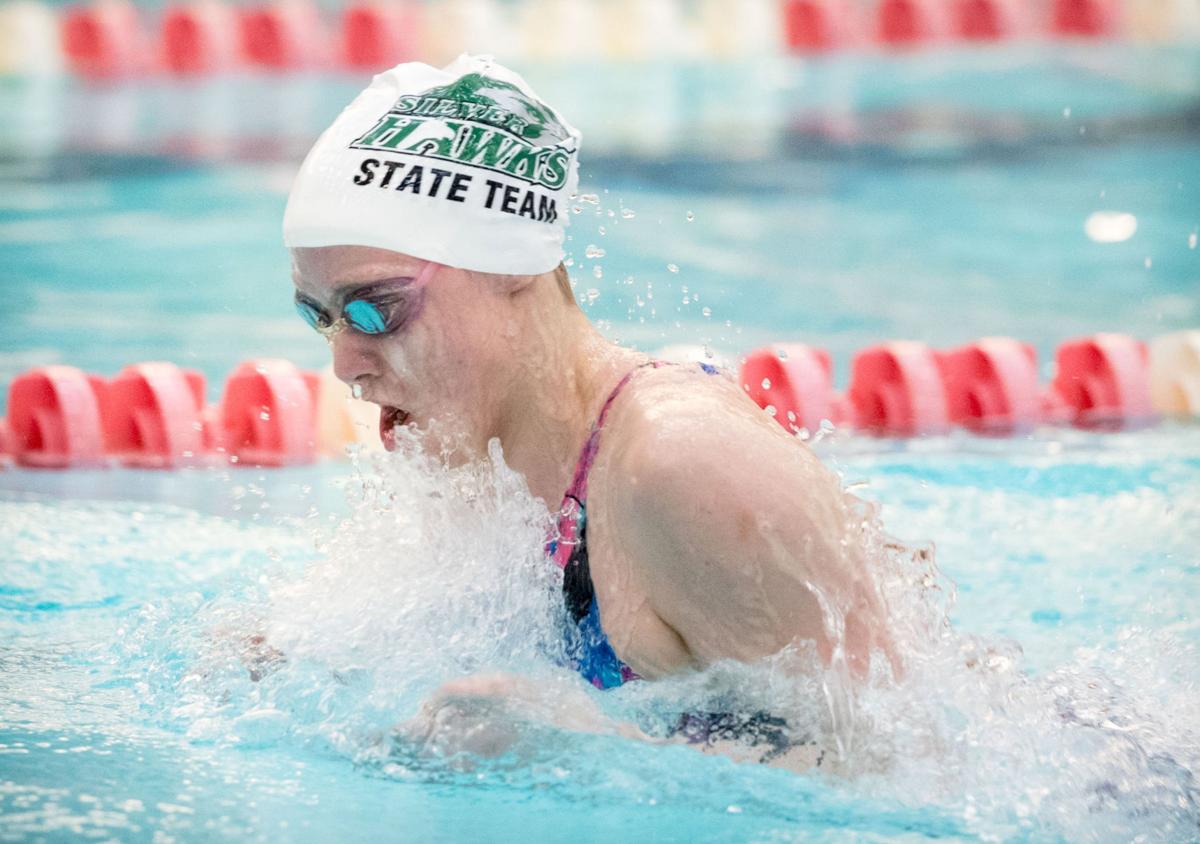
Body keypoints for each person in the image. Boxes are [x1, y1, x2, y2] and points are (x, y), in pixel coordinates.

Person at [283, 55, 895, 766]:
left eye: (376, 310)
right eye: (319, 316)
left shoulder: (685, 464)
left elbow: (883, 763)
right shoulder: (487, 451)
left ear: (508, 265)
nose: (345, 363)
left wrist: (576, 746)